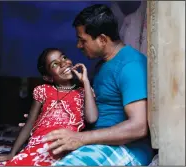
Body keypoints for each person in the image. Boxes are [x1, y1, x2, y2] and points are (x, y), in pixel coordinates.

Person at [19, 4, 154, 166]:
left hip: (125, 148)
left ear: (103, 39)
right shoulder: (102, 66)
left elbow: (138, 127)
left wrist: (80, 138)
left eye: (83, 40)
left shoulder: (130, 65)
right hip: (98, 143)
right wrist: (48, 116)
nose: (78, 46)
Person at [0, 48, 98, 166]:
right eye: (55, 64)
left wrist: (86, 82)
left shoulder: (84, 92)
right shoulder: (43, 91)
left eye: (64, 58)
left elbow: (92, 118)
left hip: (67, 143)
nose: (63, 63)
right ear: (49, 78)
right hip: (41, 141)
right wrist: (12, 153)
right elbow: (30, 122)